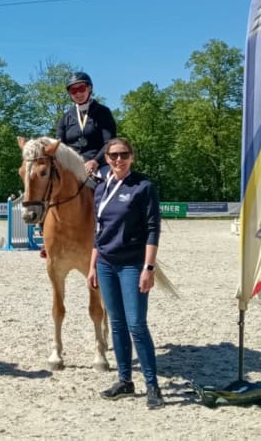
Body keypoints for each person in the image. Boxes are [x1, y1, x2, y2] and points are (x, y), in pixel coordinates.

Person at [86, 137, 164, 409]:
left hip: (132, 264)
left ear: (132, 157)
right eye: (113, 155)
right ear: (106, 159)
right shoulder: (101, 189)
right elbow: (99, 231)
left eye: (123, 154)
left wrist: (149, 267)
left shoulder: (143, 186)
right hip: (106, 263)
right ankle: (125, 381)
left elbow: (153, 229)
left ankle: (153, 385)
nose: (118, 160)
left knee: (136, 325)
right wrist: (92, 265)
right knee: (116, 323)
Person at [56, 71, 117, 178]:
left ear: (89, 88)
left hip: (99, 166)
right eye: (73, 90)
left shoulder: (103, 112)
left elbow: (109, 142)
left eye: (81, 88)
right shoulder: (65, 118)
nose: (78, 94)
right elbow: (59, 146)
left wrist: (95, 161)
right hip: (72, 167)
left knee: (111, 180)